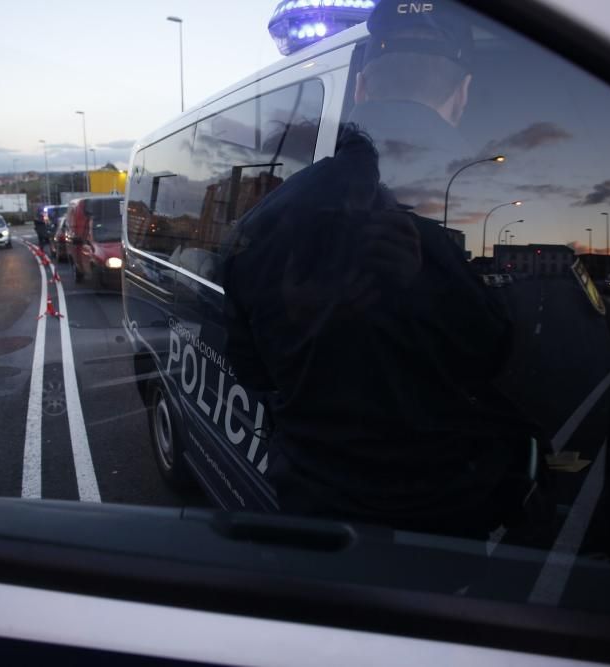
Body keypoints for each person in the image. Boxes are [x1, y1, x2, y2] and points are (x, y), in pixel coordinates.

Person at [222, 0, 545, 539]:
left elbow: (253, 368)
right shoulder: (455, 222)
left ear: (363, 89)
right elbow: (499, 360)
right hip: (443, 523)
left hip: (312, 511)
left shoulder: (268, 219)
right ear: (461, 95)